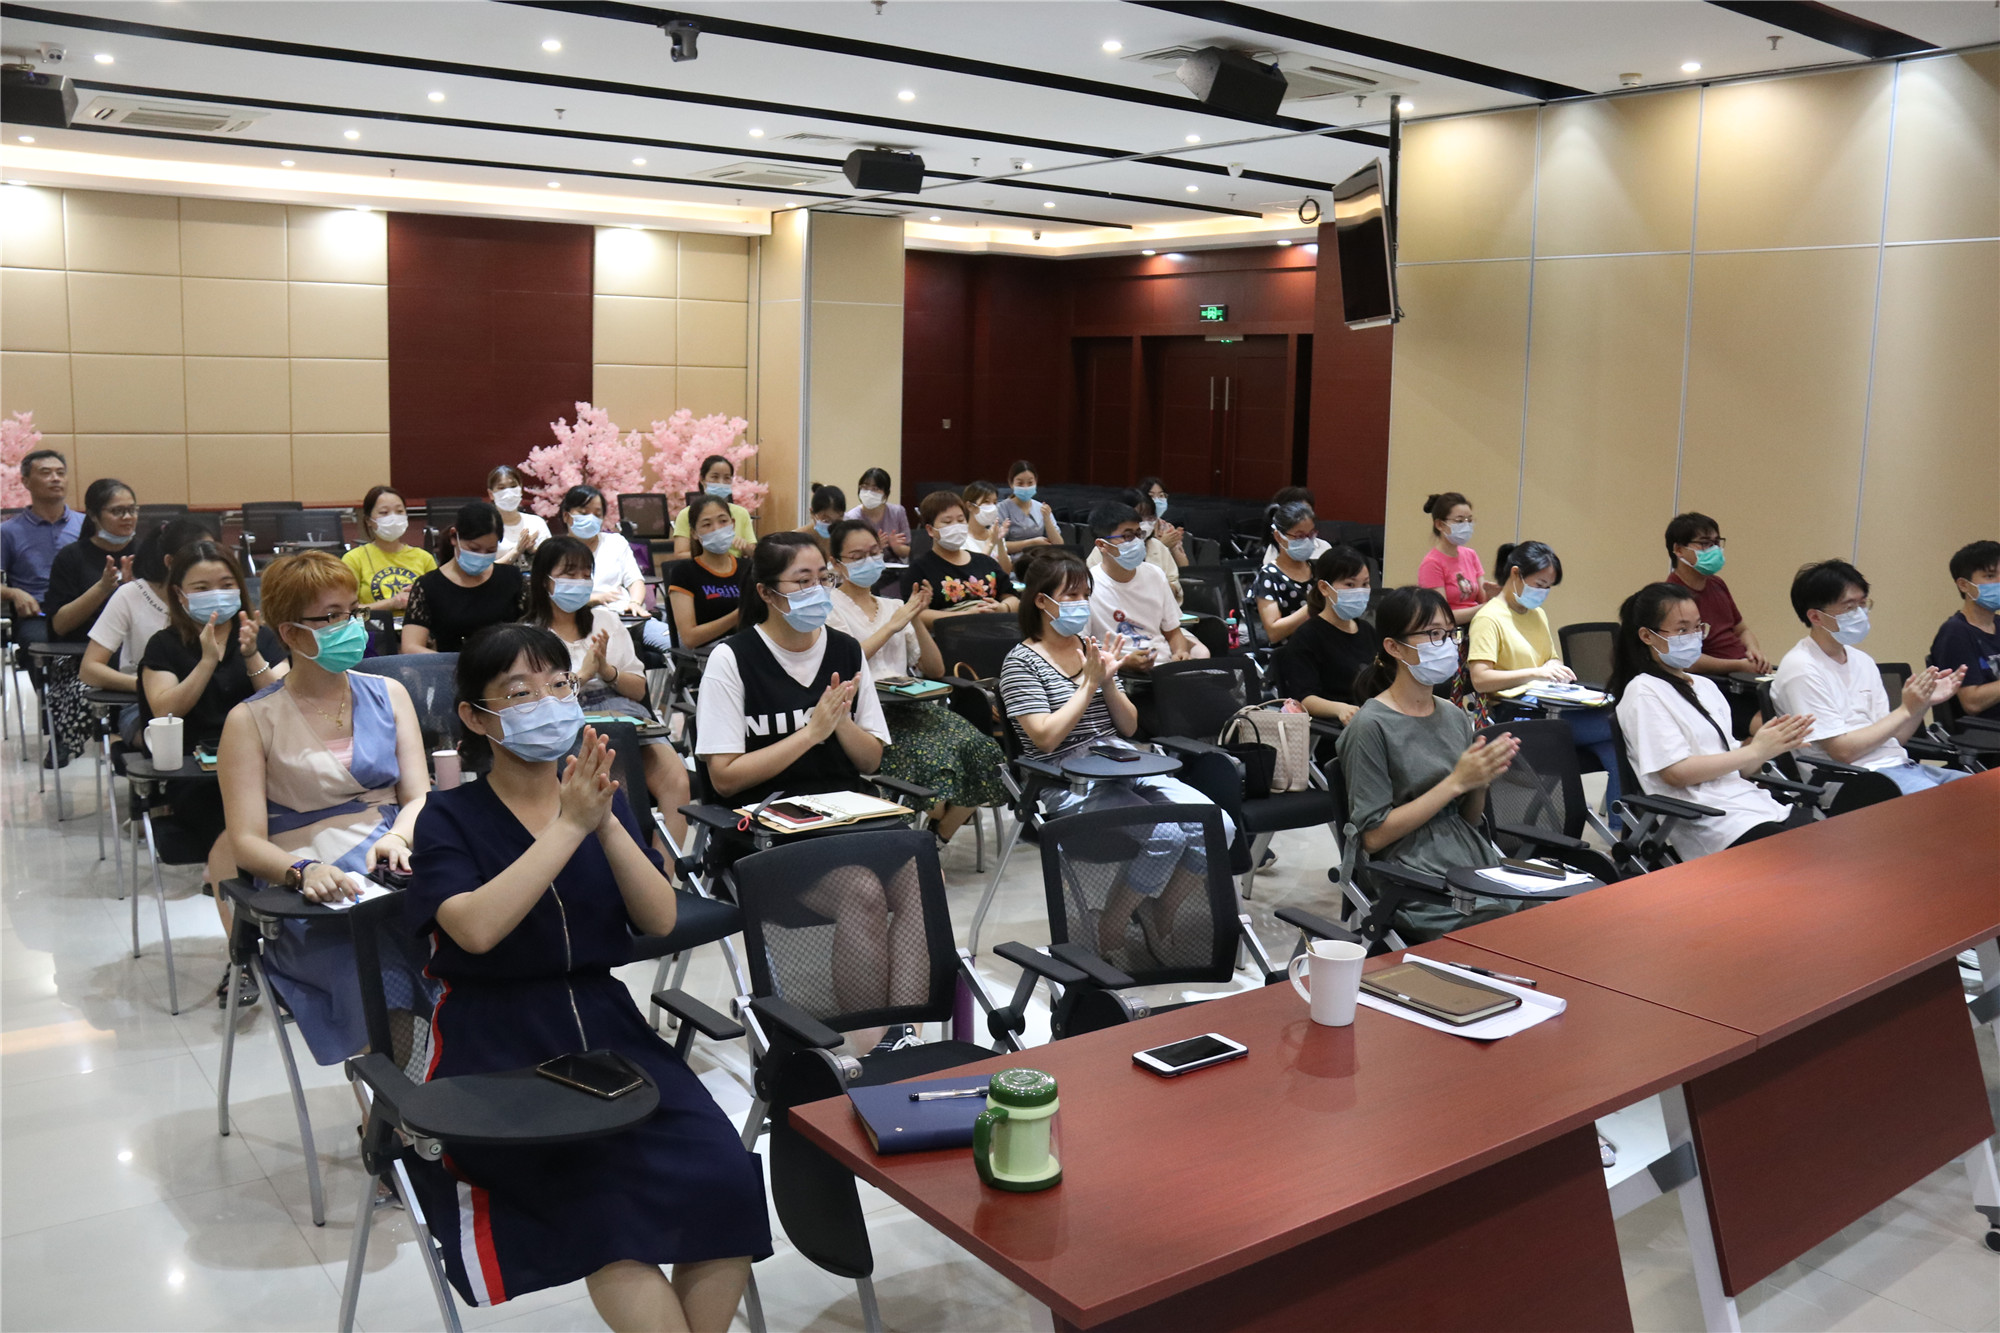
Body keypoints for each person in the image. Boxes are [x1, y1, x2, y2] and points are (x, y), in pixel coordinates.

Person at [406, 624, 768, 1324]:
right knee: (608, 1210)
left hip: (606, 1027)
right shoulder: (448, 815)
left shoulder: (597, 798)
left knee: (724, 1176)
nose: (547, 703)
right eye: (520, 692)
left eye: (558, 684)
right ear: (476, 718)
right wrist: (569, 825)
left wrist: (602, 821)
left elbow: (658, 916)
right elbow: (475, 929)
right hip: (497, 1041)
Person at [217, 551, 434, 1029]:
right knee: (381, 979)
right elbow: (246, 841)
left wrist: (398, 836)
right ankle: (387, 1075)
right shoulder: (250, 720)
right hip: (312, 884)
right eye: (332, 617)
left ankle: (447, 1066)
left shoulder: (389, 693)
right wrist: (302, 871)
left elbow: (419, 796)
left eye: (353, 612)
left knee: (464, 941)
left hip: (393, 857)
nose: (351, 626)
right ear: (292, 633)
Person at [999, 548, 1231, 961]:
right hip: (1066, 776)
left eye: (1085, 595)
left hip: (1120, 759)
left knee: (1219, 826)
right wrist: (1089, 684)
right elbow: (1045, 739)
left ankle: (1161, 908)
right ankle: (1112, 923)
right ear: (1042, 601)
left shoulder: (1090, 648)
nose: (1082, 604)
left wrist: (1108, 680)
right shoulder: (1021, 662)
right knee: (1166, 835)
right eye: (1071, 596)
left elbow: (1128, 727)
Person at [139, 539, 289, 999]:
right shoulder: (165, 645)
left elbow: (284, 702)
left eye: (225, 584)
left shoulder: (262, 636)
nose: (216, 595)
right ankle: (242, 957)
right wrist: (207, 660)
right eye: (201, 587)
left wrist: (252, 656)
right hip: (198, 777)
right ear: (180, 594)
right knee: (232, 834)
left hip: (267, 766)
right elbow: (165, 709)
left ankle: (291, 948)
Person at [1334, 587, 1522, 941]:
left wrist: (1479, 781)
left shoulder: (1452, 715)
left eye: (1450, 634)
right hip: (1414, 875)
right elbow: (1372, 837)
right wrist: (1455, 782)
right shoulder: (1370, 726)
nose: (1446, 645)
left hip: (1471, 859)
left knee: (1550, 914)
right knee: (1506, 933)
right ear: (1394, 647)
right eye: (1434, 634)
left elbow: (1466, 819)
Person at [828, 519, 1006, 843]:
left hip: (911, 708)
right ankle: (924, 832)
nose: (869, 561)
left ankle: (938, 837)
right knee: (934, 763)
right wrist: (893, 626)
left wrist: (917, 617)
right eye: (857, 557)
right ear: (837, 564)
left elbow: (934, 669)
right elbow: (846, 662)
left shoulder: (895, 606)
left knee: (983, 750)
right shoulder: (830, 608)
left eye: (874, 552)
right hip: (866, 715)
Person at [1611, 582, 1814, 859]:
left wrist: (1768, 745)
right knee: (1806, 858)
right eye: (1682, 630)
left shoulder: (1704, 686)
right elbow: (1676, 772)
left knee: (1826, 843)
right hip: (1711, 822)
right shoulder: (1643, 691)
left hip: (1749, 807)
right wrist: (1754, 751)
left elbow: (1738, 767)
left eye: (1698, 627)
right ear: (1647, 636)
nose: (1694, 637)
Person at [695, 533, 892, 806]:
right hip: (764, 815)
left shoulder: (847, 650)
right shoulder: (731, 658)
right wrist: (811, 733)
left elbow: (870, 763)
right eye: (803, 581)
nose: (817, 590)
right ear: (766, 592)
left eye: (823, 578)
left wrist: (841, 722)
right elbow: (724, 779)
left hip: (843, 809)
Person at [524, 536, 691, 844]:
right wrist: (584, 675)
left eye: (585, 574)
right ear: (545, 580)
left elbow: (638, 689)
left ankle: (661, 870)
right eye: (569, 573)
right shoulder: (529, 636)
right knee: (613, 790)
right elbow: (539, 703)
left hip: (622, 713)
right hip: (567, 722)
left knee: (677, 781)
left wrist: (606, 671)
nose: (579, 581)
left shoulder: (606, 620)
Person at [1771, 559, 1967, 795]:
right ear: (1816, 617)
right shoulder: (1801, 668)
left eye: (1863, 604)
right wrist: (1905, 710)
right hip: (1852, 781)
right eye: (1849, 607)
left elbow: (1895, 738)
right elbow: (1843, 752)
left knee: (1984, 791)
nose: (1860, 614)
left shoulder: (1862, 660)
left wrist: (1922, 704)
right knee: (1952, 806)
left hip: (1901, 768)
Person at [41, 478, 141, 763]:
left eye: (132, 509)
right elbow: (60, 625)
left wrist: (134, 592)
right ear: (94, 516)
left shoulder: (147, 554)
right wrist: (103, 588)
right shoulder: (72, 557)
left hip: (138, 651)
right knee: (80, 687)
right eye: (117, 511)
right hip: (85, 655)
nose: (128, 517)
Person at [84, 517, 209, 744]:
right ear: (170, 562)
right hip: (142, 704)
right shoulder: (131, 595)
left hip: (211, 697)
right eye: (198, 555)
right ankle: (118, 744)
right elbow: (89, 669)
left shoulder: (217, 597)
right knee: (172, 743)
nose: (209, 562)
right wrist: (146, 686)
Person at [1084, 500, 1199, 670]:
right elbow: (1080, 647)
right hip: (1116, 673)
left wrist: (1180, 652)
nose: (1137, 542)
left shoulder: (1155, 575)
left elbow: (1173, 632)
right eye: (1127, 536)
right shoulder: (1085, 585)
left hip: (1163, 668)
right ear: (1102, 545)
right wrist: (1123, 661)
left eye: (1139, 534)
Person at [402, 501, 525, 653]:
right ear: (454, 537)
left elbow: (532, 631)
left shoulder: (511, 578)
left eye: (490, 550)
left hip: (506, 664)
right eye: (474, 549)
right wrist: (460, 661)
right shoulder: (428, 586)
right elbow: (410, 647)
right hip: (450, 665)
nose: (481, 556)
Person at [1274, 545, 1376, 725]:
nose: (1359, 591)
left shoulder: (1368, 630)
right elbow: (1305, 698)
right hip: (1335, 726)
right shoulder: (1307, 637)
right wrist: (1340, 709)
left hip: (1372, 718)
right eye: (1350, 585)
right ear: (1324, 588)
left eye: (1365, 584)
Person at [0, 448, 83, 641]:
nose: (56, 479)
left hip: (83, 610)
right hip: (37, 614)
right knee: (38, 646)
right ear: (25, 482)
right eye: (46, 473)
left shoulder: (87, 525)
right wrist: (14, 593)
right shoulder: (8, 531)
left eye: (60, 473)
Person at [909, 491, 1018, 627]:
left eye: (961, 520)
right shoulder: (920, 569)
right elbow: (917, 614)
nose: (956, 526)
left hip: (994, 632)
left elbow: (1013, 598)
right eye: (947, 522)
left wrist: (1003, 608)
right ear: (930, 530)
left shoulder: (986, 562)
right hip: (948, 636)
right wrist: (965, 616)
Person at [1929, 540, 2000, 722]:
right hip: (1984, 732)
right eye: (1990, 576)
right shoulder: (1956, 632)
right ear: (1963, 585)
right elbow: (1971, 702)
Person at [666, 494, 748, 651]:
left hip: (749, 648)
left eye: (723, 521)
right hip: (709, 655)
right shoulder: (684, 573)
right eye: (707, 524)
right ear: (694, 533)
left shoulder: (749, 569)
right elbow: (690, 639)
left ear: (733, 524)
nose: (717, 529)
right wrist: (739, 615)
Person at [343, 485, 435, 614]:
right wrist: (392, 603)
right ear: (368, 520)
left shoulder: (424, 558)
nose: (393, 518)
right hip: (374, 626)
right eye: (384, 513)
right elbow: (346, 611)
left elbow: (439, 602)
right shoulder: (354, 559)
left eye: (399, 511)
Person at [555, 484, 646, 614]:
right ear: (566, 516)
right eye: (583, 513)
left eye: (597, 514)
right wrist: (595, 599)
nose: (591, 518)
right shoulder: (555, 550)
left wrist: (635, 603)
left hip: (622, 612)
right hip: (579, 616)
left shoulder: (616, 542)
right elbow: (556, 594)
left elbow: (635, 580)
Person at [1416, 491, 1495, 626]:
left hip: (1477, 625)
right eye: (1459, 521)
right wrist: (1483, 609)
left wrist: (1494, 593)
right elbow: (1441, 615)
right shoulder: (1432, 563)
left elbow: (1483, 598)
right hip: (1451, 631)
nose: (1466, 526)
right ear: (1440, 525)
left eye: (1469, 520)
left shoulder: (1470, 555)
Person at [1248, 500, 1320, 645]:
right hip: (1289, 651)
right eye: (1299, 536)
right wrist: (1316, 603)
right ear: (1279, 537)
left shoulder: (1318, 570)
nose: (1307, 541)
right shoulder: (1269, 576)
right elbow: (1274, 633)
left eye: (1311, 534)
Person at [670, 453, 756, 557]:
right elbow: (680, 554)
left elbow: (753, 553)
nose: (721, 482)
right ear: (702, 480)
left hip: (736, 565)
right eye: (715, 477)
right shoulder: (686, 514)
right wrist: (712, 556)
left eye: (727, 478)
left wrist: (744, 546)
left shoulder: (741, 513)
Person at [485, 463, 550, 566]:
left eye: (513, 486)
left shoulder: (537, 522)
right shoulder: (484, 526)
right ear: (491, 494)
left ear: (520, 489)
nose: (509, 492)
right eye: (501, 488)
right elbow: (483, 569)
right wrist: (517, 551)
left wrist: (532, 549)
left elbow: (552, 560)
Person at [996, 459, 1061, 553]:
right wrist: (1031, 543)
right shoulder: (1001, 509)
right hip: (1013, 559)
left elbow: (1058, 544)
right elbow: (997, 545)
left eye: (1030, 483)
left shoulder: (1041, 508)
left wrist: (1047, 520)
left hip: (1041, 558)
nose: (1026, 487)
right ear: (1011, 483)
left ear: (1036, 482)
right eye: (1020, 483)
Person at [846, 468, 912, 560]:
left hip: (894, 565)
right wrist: (874, 547)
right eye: (865, 487)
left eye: (875, 489)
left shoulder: (898, 512)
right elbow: (850, 554)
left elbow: (908, 551)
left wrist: (896, 547)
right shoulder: (851, 517)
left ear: (885, 494)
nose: (869, 492)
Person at [961, 480, 1015, 571]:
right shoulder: (960, 538)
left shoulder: (995, 533)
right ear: (970, 506)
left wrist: (999, 542)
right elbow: (973, 572)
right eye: (986, 502)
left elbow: (1006, 571)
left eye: (995, 502)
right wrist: (991, 543)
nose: (992, 507)